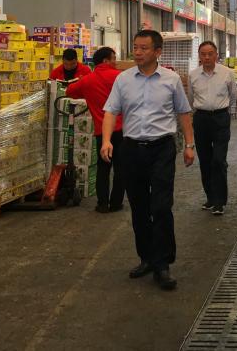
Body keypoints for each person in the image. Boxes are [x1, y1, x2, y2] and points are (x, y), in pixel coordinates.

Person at [101, 30, 195, 291]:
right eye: (135, 47)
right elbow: (111, 111)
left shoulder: (171, 79)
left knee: (161, 206)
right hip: (132, 149)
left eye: (144, 48)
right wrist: (107, 140)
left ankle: (163, 264)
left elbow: (183, 112)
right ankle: (146, 258)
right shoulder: (123, 79)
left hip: (162, 148)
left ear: (157, 51)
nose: (138, 52)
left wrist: (189, 145)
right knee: (139, 207)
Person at [66, 47, 125, 213]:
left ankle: (102, 204)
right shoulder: (120, 77)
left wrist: (87, 94)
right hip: (121, 129)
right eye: (113, 59)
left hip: (101, 132)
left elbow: (70, 91)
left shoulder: (87, 80)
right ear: (106, 61)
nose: (115, 62)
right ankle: (116, 203)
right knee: (121, 168)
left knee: (103, 168)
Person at [189, 41, 236, 216]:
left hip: (220, 118)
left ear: (216, 55)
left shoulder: (227, 73)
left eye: (210, 53)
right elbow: (191, 98)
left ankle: (220, 201)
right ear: (199, 56)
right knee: (205, 160)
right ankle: (210, 197)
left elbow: (232, 96)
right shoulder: (193, 75)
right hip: (201, 119)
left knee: (218, 160)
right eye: (203, 54)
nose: (207, 57)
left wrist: (222, 112)